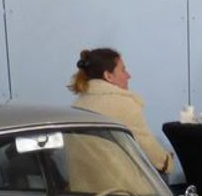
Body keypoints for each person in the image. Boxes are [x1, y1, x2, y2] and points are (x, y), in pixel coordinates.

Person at [69, 47, 174, 176]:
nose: (128, 76)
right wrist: (167, 162)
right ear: (108, 76)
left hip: (82, 184)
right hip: (117, 185)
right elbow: (150, 150)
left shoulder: (78, 104)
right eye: (123, 70)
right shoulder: (124, 104)